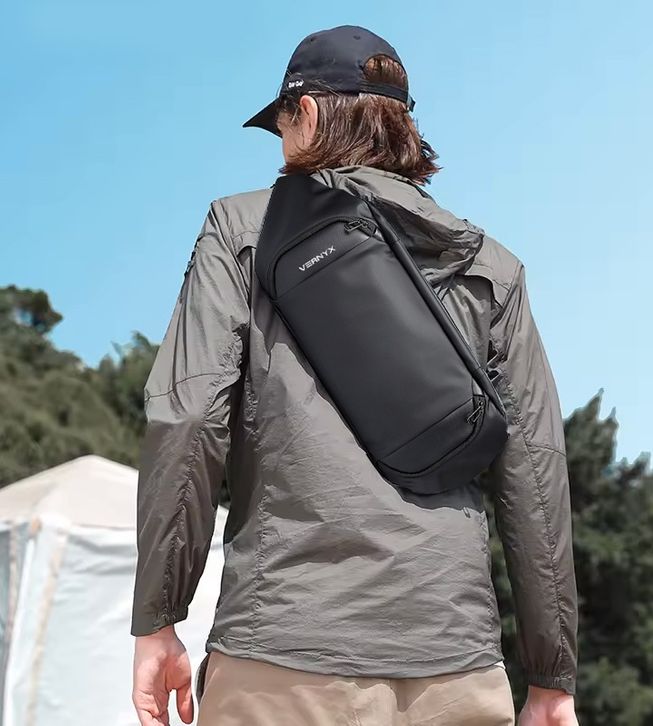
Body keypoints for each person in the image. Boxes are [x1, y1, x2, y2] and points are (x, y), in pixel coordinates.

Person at [131, 24, 578, 726]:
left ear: (306, 114)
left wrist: (159, 617)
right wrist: (552, 678)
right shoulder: (493, 268)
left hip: (284, 655)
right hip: (457, 669)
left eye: (281, 125)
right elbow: (536, 472)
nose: (280, 147)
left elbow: (188, 417)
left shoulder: (244, 229)